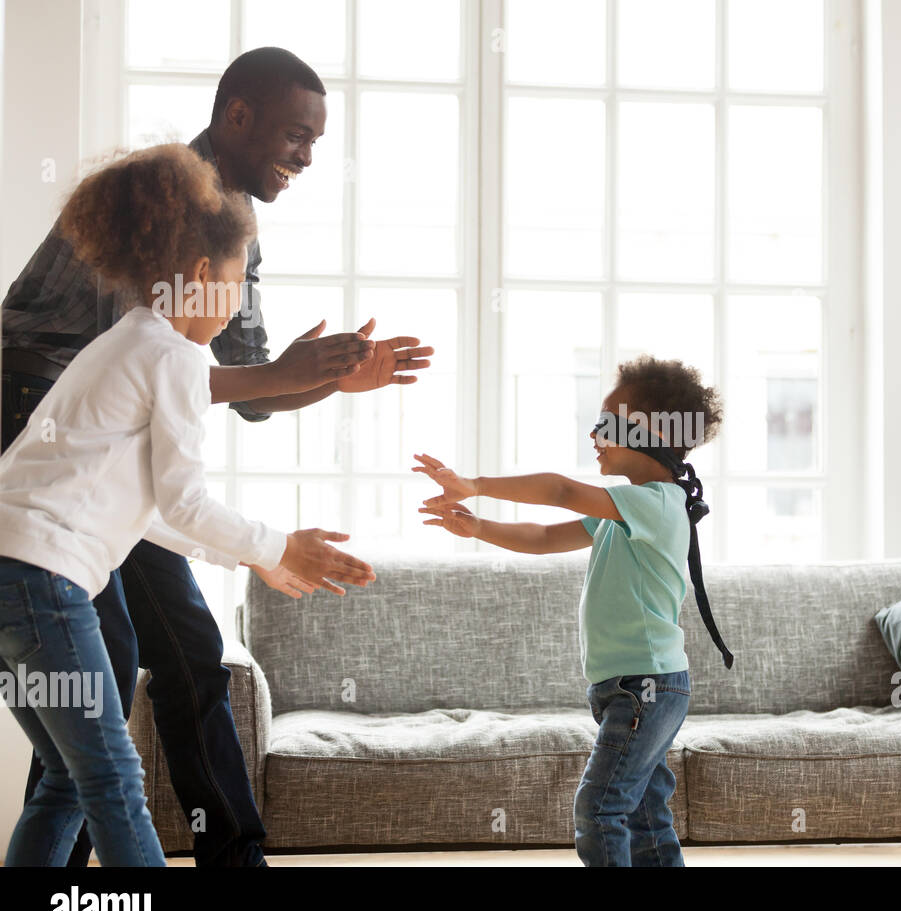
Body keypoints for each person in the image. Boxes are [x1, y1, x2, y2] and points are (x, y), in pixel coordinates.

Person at [0, 46, 431, 867]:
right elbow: (179, 372)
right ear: (239, 115)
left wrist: (329, 379)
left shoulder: (228, 237)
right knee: (110, 700)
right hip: (30, 421)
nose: (307, 155)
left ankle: (178, 857)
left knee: (130, 688)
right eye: (297, 134)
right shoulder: (156, 211)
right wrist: (269, 544)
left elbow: (241, 388)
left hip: (73, 482)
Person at [413, 355, 726, 866]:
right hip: (628, 685)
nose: (594, 434)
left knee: (599, 808)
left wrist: (475, 484)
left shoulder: (657, 503)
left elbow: (559, 490)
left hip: (645, 686)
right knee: (645, 814)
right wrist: (478, 528)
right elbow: (541, 538)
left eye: (606, 423)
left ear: (647, 431)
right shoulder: (625, 507)